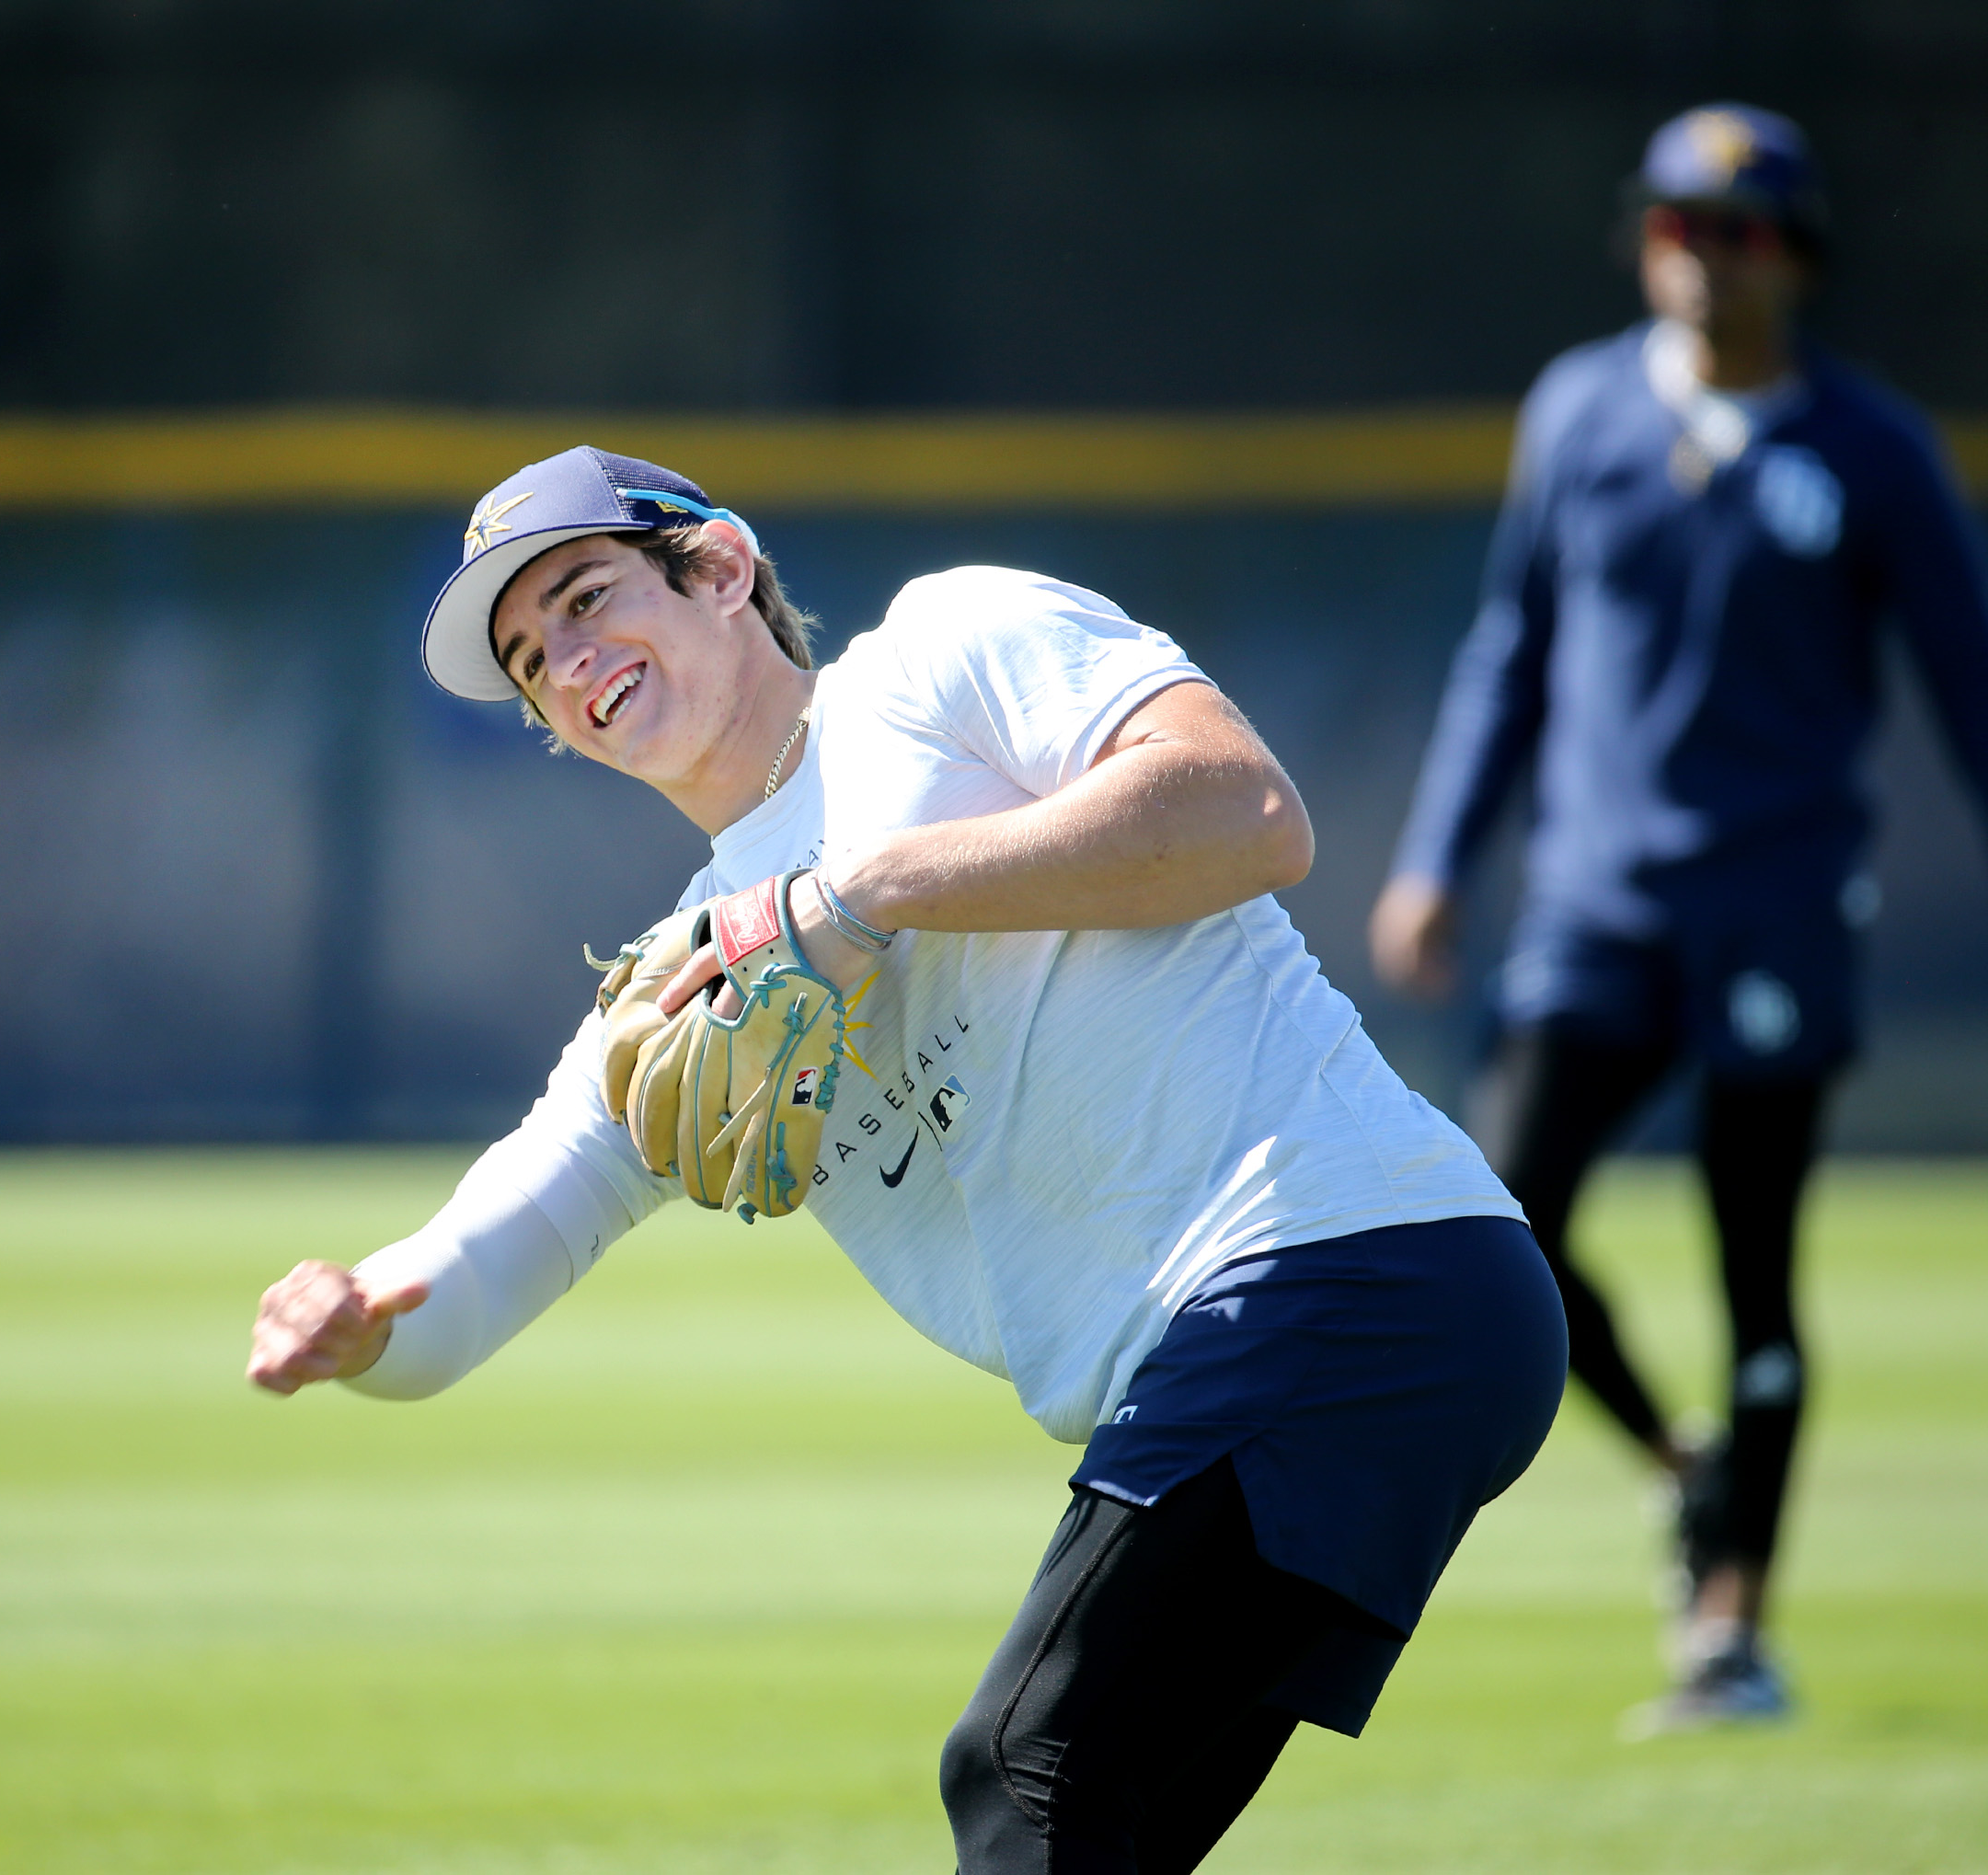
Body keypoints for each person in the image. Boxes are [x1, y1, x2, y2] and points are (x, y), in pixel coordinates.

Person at [249, 443, 1567, 1874]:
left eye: (583, 595)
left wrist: (861, 892)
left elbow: (1248, 809)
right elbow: (519, 1224)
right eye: (528, 658)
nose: (565, 659)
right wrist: (364, 1315)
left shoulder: (945, 647)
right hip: (1307, 1337)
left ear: (724, 566)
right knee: (1079, 1827)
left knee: (1024, 1773)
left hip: (1350, 1260)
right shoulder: (687, 985)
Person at [1370, 103, 1988, 1734]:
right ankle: (1681, 1461)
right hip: (1595, 906)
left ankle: (1731, 1626)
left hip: (1778, 911)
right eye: (1677, 224)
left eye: (1743, 228)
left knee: (1758, 1268)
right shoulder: (1581, 413)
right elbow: (1512, 650)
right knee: (1503, 1220)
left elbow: (1971, 685)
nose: (1706, 257)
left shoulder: (1868, 450)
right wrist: (1438, 854)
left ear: (1800, 255)